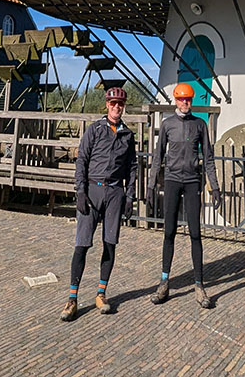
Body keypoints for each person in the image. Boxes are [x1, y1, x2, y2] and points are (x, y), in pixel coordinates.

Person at [60, 86, 138, 322]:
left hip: (115, 192)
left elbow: (133, 169)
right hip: (93, 191)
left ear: (124, 107)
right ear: (106, 105)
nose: (117, 107)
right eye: (113, 103)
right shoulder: (94, 130)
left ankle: (101, 294)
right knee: (82, 245)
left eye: (120, 104)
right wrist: (80, 192)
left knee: (110, 244)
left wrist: (130, 197)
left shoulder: (128, 135)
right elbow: (82, 159)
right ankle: (72, 299)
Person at [147, 82, 221, 309]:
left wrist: (214, 186)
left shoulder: (200, 124)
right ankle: (164, 281)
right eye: (181, 99)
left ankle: (199, 284)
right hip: (171, 180)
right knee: (168, 231)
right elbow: (158, 156)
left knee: (195, 233)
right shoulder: (167, 124)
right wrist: (151, 185)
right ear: (175, 100)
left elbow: (208, 157)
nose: (185, 103)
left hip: (191, 181)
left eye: (188, 99)